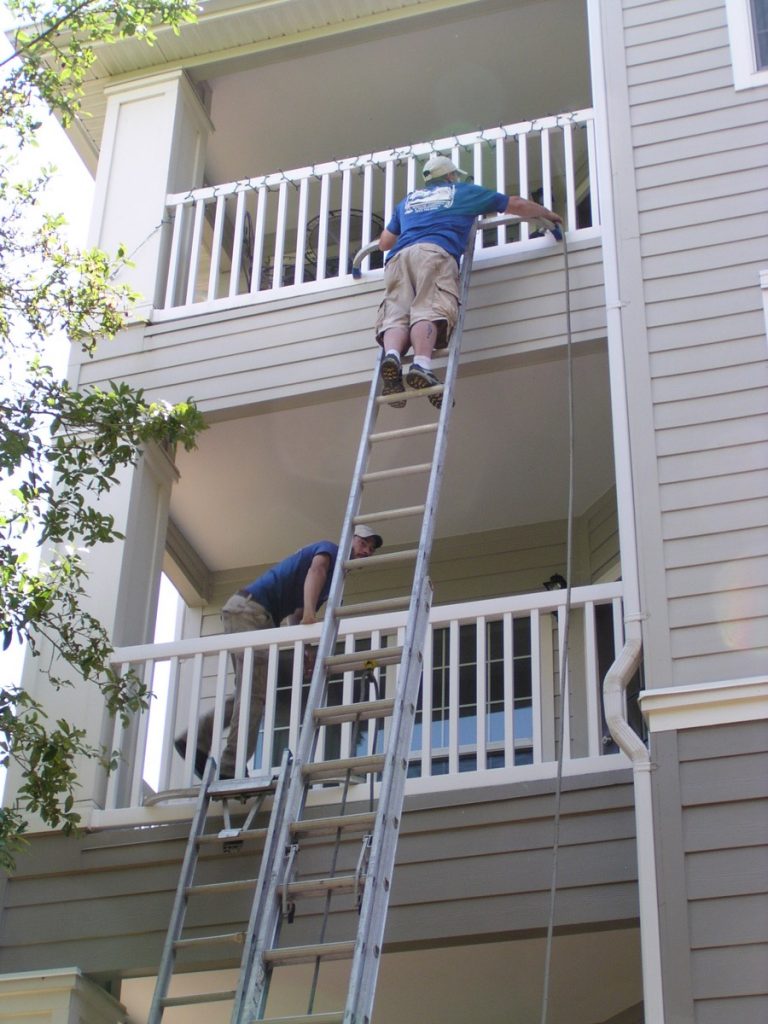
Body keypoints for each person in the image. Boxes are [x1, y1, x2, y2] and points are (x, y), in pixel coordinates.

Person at [175, 523, 383, 779]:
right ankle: (231, 768)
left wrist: (305, 647)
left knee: (248, 692)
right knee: (254, 695)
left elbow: (295, 614)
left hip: (252, 614)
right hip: (251, 612)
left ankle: (195, 740)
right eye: (363, 543)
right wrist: (310, 614)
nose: (367, 550)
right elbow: (315, 571)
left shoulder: (330, 582)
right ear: (349, 539)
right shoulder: (328, 550)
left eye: (371, 549)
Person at [375, 154, 562, 408]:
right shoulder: (462, 192)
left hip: (398, 259)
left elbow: (385, 243)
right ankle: (421, 364)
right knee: (428, 310)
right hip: (435, 252)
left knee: (396, 314)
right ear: (451, 176)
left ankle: (393, 356)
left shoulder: (408, 201)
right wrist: (547, 214)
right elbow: (514, 203)